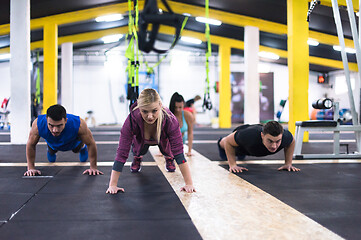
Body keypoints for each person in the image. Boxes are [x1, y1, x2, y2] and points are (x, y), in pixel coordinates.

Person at [106, 88, 195, 194]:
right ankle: (137, 157)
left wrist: (189, 183)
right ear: (139, 108)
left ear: (160, 105)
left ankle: (168, 157)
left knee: (169, 151)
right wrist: (112, 185)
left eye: (154, 111)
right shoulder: (132, 119)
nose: (149, 116)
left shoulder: (170, 119)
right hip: (141, 140)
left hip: (162, 139)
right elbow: (122, 153)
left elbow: (179, 153)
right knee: (138, 150)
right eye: (144, 111)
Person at [24, 104, 103, 176]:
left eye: (59, 125)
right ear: (46, 119)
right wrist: (31, 168)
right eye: (51, 125)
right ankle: (50, 150)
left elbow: (91, 143)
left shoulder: (79, 124)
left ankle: (82, 148)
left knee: (77, 150)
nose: (55, 130)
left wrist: (93, 167)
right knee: (51, 157)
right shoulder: (38, 124)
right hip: (52, 143)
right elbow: (31, 144)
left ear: (65, 120)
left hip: (73, 142)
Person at [218, 121, 300, 173]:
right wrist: (233, 165)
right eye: (270, 141)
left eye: (278, 141)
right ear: (262, 136)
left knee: (242, 155)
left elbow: (292, 142)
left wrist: (288, 163)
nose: (274, 146)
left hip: (251, 148)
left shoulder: (285, 136)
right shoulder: (248, 135)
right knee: (224, 143)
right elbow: (228, 141)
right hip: (242, 144)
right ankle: (219, 142)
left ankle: (241, 154)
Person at [169, 92, 195, 156]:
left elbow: (190, 133)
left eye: (180, 107)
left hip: (181, 142)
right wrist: (161, 151)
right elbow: (163, 134)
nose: (178, 110)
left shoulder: (188, 115)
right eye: (175, 107)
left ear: (184, 105)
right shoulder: (169, 116)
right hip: (169, 144)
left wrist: (189, 151)